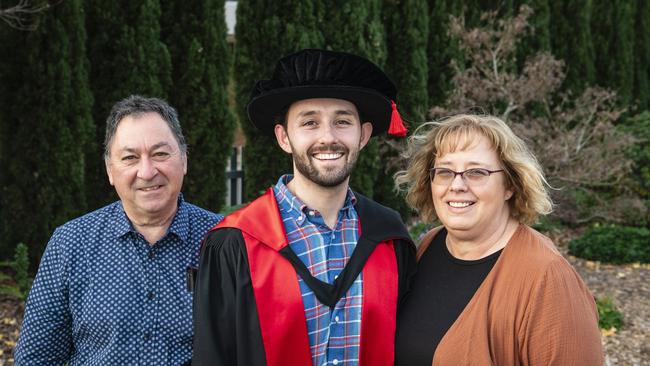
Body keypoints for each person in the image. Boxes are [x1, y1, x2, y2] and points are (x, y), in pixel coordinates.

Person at [192, 49, 417, 366]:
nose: (328, 137)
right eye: (309, 122)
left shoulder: (389, 237)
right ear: (284, 137)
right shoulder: (235, 243)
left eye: (342, 121)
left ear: (363, 135)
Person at [14, 95, 222, 365]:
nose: (146, 172)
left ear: (183, 160)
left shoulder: (225, 240)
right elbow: (35, 359)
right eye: (130, 158)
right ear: (110, 170)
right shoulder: (71, 244)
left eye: (160, 153)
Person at [393, 114, 603, 365]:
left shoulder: (547, 278)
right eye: (445, 171)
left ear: (510, 185)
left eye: (477, 172)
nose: (457, 185)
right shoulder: (428, 245)